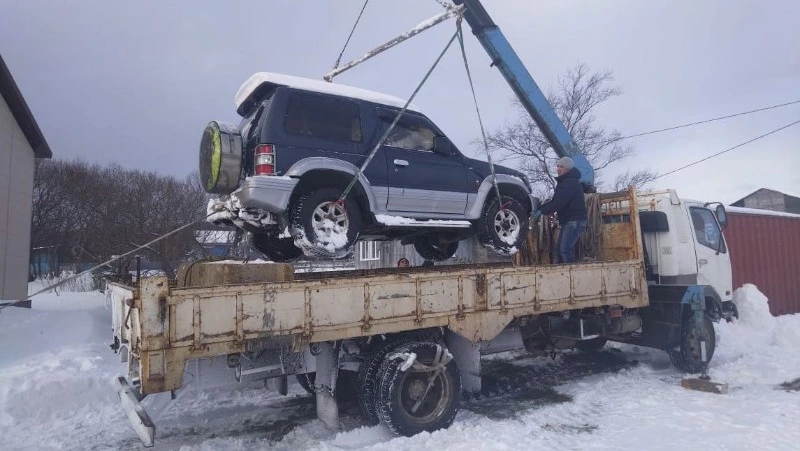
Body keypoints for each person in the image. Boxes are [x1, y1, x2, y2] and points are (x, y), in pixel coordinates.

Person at [533, 157, 588, 264]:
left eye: (561, 166)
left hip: (575, 221)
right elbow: (556, 201)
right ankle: (563, 275)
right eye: (558, 166)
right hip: (568, 221)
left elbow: (559, 201)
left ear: (567, 168)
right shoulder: (565, 182)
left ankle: (571, 275)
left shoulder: (570, 182)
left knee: (564, 251)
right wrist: (541, 209)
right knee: (559, 251)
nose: (558, 169)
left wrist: (542, 211)